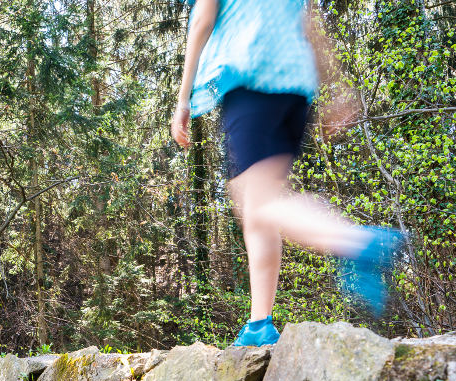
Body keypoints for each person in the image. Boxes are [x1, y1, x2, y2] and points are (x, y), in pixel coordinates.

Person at [171, 0, 404, 347]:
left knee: (259, 206)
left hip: (252, 78)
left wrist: (183, 97)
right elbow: (309, 24)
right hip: (296, 88)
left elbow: (203, 17)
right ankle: (259, 323)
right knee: (256, 209)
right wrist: (336, 85)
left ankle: (356, 242)